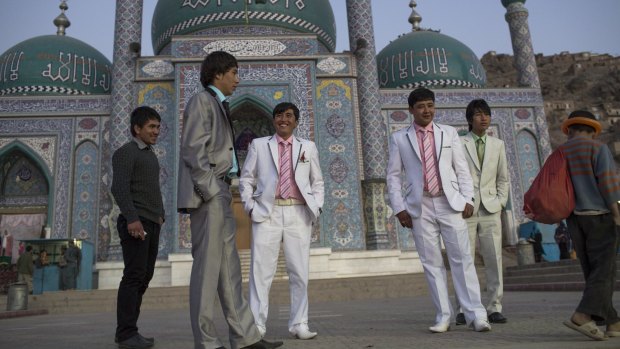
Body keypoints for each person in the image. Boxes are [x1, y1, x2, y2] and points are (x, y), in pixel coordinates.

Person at [177, 50, 283, 349]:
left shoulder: (217, 104)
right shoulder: (202, 101)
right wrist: (210, 190)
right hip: (210, 194)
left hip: (222, 192)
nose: (238, 79)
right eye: (234, 73)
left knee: (229, 272)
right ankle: (207, 342)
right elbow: (192, 149)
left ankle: (246, 337)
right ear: (218, 73)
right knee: (207, 273)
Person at [386, 87, 491, 333]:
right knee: (432, 263)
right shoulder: (400, 138)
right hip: (419, 205)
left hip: (449, 202)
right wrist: (399, 207)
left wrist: (468, 198)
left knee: (462, 259)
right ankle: (444, 316)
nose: (427, 111)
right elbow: (392, 176)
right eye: (421, 106)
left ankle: (477, 314)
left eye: (430, 105)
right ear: (411, 110)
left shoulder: (448, 133)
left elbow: (461, 168)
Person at [239, 102, 324, 340]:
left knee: (299, 271)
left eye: (288, 116)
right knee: (260, 272)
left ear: (296, 121)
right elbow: (246, 179)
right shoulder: (259, 145)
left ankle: (299, 323)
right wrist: (249, 206)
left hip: (298, 212)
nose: (283, 119)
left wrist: (316, 207)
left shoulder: (308, 147)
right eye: (279, 116)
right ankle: (257, 325)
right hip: (268, 213)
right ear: (273, 120)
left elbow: (317, 181)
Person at [559, 110, 620, 340]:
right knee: (604, 272)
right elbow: (607, 182)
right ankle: (583, 316)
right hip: (600, 216)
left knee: (594, 273)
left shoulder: (561, 152)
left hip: (575, 220)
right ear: (593, 130)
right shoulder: (598, 148)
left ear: (570, 129)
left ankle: (613, 322)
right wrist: (617, 214)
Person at [111, 105, 165, 349]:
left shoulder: (149, 154)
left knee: (144, 276)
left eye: (158, 127)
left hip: (151, 222)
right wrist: (132, 218)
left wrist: (160, 215)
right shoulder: (127, 152)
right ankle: (126, 334)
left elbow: (151, 188)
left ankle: (130, 330)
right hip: (136, 223)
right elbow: (119, 188)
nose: (156, 131)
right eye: (151, 127)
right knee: (133, 277)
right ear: (137, 128)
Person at [454, 99, 509, 325]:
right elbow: (453, 175)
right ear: (469, 119)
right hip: (465, 210)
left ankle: (494, 306)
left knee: (494, 258)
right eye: (478, 114)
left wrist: (500, 202)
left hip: (490, 209)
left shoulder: (498, 145)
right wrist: (460, 202)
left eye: (486, 114)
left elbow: (503, 179)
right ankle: (462, 308)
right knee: (463, 258)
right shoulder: (458, 143)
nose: (483, 118)